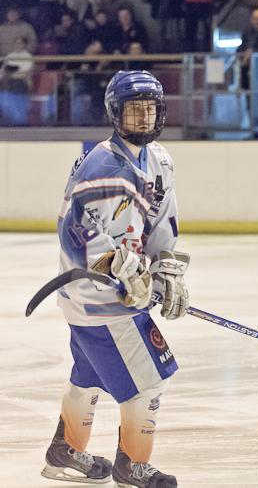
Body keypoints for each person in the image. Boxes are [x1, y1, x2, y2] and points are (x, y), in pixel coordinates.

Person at [41, 70, 186, 487]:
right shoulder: (102, 165)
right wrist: (124, 270)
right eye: (133, 110)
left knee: (88, 375)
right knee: (148, 381)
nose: (142, 118)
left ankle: (65, 452)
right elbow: (75, 234)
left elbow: (162, 222)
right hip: (98, 298)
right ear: (114, 114)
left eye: (149, 109)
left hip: (108, 296)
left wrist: (164, 271)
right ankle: (132, 466)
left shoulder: (159, 160)